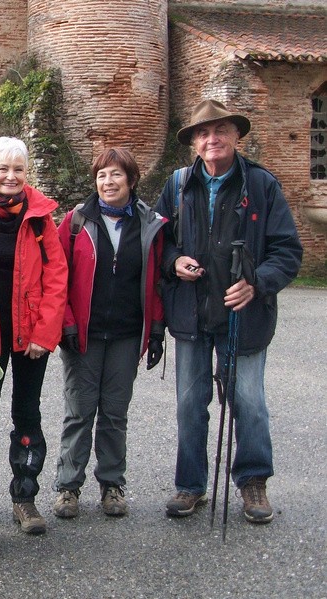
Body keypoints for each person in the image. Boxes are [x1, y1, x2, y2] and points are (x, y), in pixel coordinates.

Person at [155, 99, 302, 523]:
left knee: (249, 402)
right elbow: (159, 240)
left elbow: (287, 250)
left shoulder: (261, 185)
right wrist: (173, 262)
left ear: (237, 136)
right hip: (192, 314)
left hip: (245, 315)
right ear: (194, 143)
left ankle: (254, 482)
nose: (211, 139)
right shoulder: (178, 184)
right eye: (203, 133)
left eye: (220, 130)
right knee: (189, 403)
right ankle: (190, 485)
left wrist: (257, 283)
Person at [0, 136, 67, 534]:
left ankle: (25, 497)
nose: (10, 176)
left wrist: (46, 333)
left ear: (27, 173)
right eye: (2, 169)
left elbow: (57, 278)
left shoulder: (40, 218)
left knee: (27, 415)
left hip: (29, 339)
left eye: (18, 169)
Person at [53, 148, 165, 519]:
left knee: (115, 414)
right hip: (82, 334)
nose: (108, 182)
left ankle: (112, 484)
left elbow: (156, 282)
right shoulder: (75, 222)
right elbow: (57, 277)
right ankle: (68, 487)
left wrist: (156, 331)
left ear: (132, 180)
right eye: (101, 176)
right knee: (79, 412)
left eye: (116, 175)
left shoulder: (149, 224)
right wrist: (65, 322)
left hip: (126, 335)